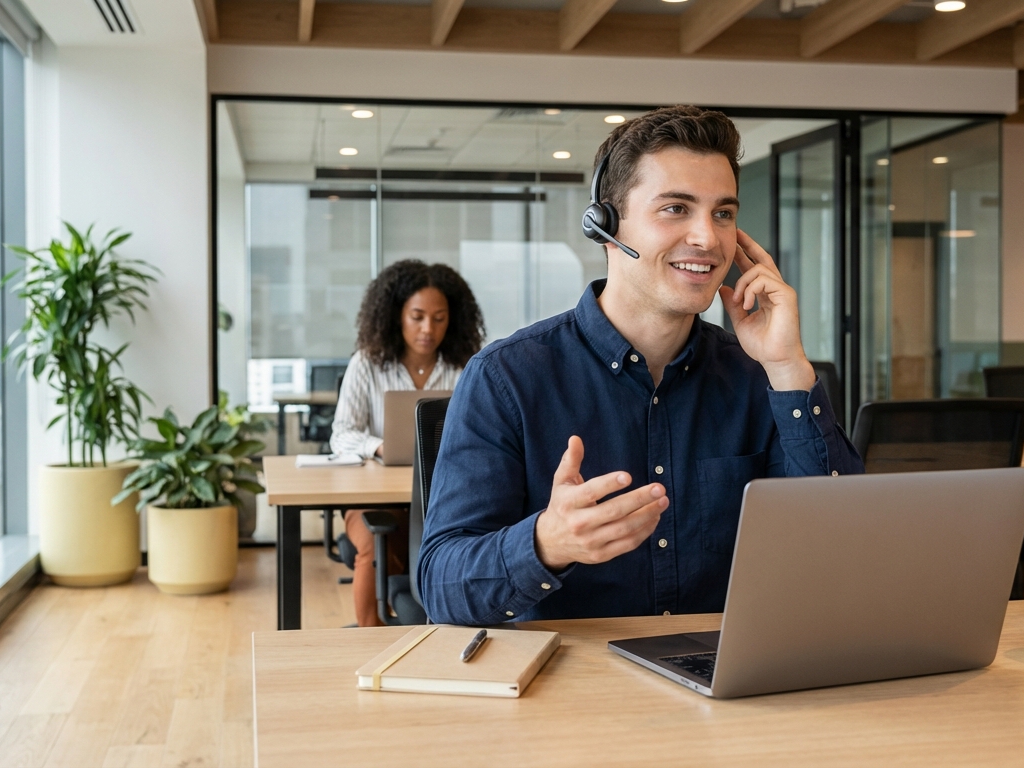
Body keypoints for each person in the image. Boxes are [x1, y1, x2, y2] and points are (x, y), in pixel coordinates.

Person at [418, 106, 864, 626]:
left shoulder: (755, 374)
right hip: (571, 692)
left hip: (725, 681)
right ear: (604, 224)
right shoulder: (507, 379)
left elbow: (839, 550)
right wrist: (547, 543)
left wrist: (787, 367)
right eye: (676, 208)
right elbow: (441, 586)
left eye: (723, 213)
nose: (707, 237)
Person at [330, 259, 485, 626]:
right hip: (376, 497)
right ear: (396, 315)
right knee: (372, 545)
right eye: (417, 316)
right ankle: (369, 637)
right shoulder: (366, 364)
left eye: (439, 317)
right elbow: (341, 434)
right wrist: (381, 447)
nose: (428, 329)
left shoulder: (467, 367)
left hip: (443, 494)